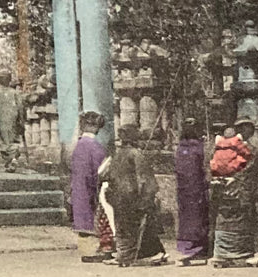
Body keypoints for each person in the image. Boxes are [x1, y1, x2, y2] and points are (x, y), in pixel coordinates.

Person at [102, 123, 167, 266]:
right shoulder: (136, 154)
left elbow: (107, 175)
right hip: (131, 197)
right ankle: (129, 254)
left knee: (125, 228)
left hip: (120, 196)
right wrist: (147, 197)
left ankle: (127, 254)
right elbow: (145, 179)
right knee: (131, 227)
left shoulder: (118, 155)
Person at [212, 118, 258, 268]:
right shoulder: (248, 149)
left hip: (223, 186)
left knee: (225, 217)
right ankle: (244, 253)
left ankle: (221, 253)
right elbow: (249, 168)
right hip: (242, 189)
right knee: (243, 219)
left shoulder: (220, 148)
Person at [68, 111, 111, 263]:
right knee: (93, 218)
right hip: (90, 187)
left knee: (82, 220)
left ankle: (86, 251)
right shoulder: (96, 148)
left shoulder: (78, 146)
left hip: (78, 186)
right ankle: (95, 251)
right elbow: (100, 171)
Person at [173, 119, 210, 265]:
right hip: (196, 189)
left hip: (182, 189)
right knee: (198, 218)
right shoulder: (199, 148)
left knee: (185, 219)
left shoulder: (179, 149)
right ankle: (197, 249)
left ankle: (185, 248)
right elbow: (206, 168)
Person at [0, 71, 28, 172]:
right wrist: (22, 120)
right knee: (13, 140)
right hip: (14, 120)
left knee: (3, 142)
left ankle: (11, 160)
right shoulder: (16, 93)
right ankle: (13, 159)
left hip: (1, 121)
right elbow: (21, 108)